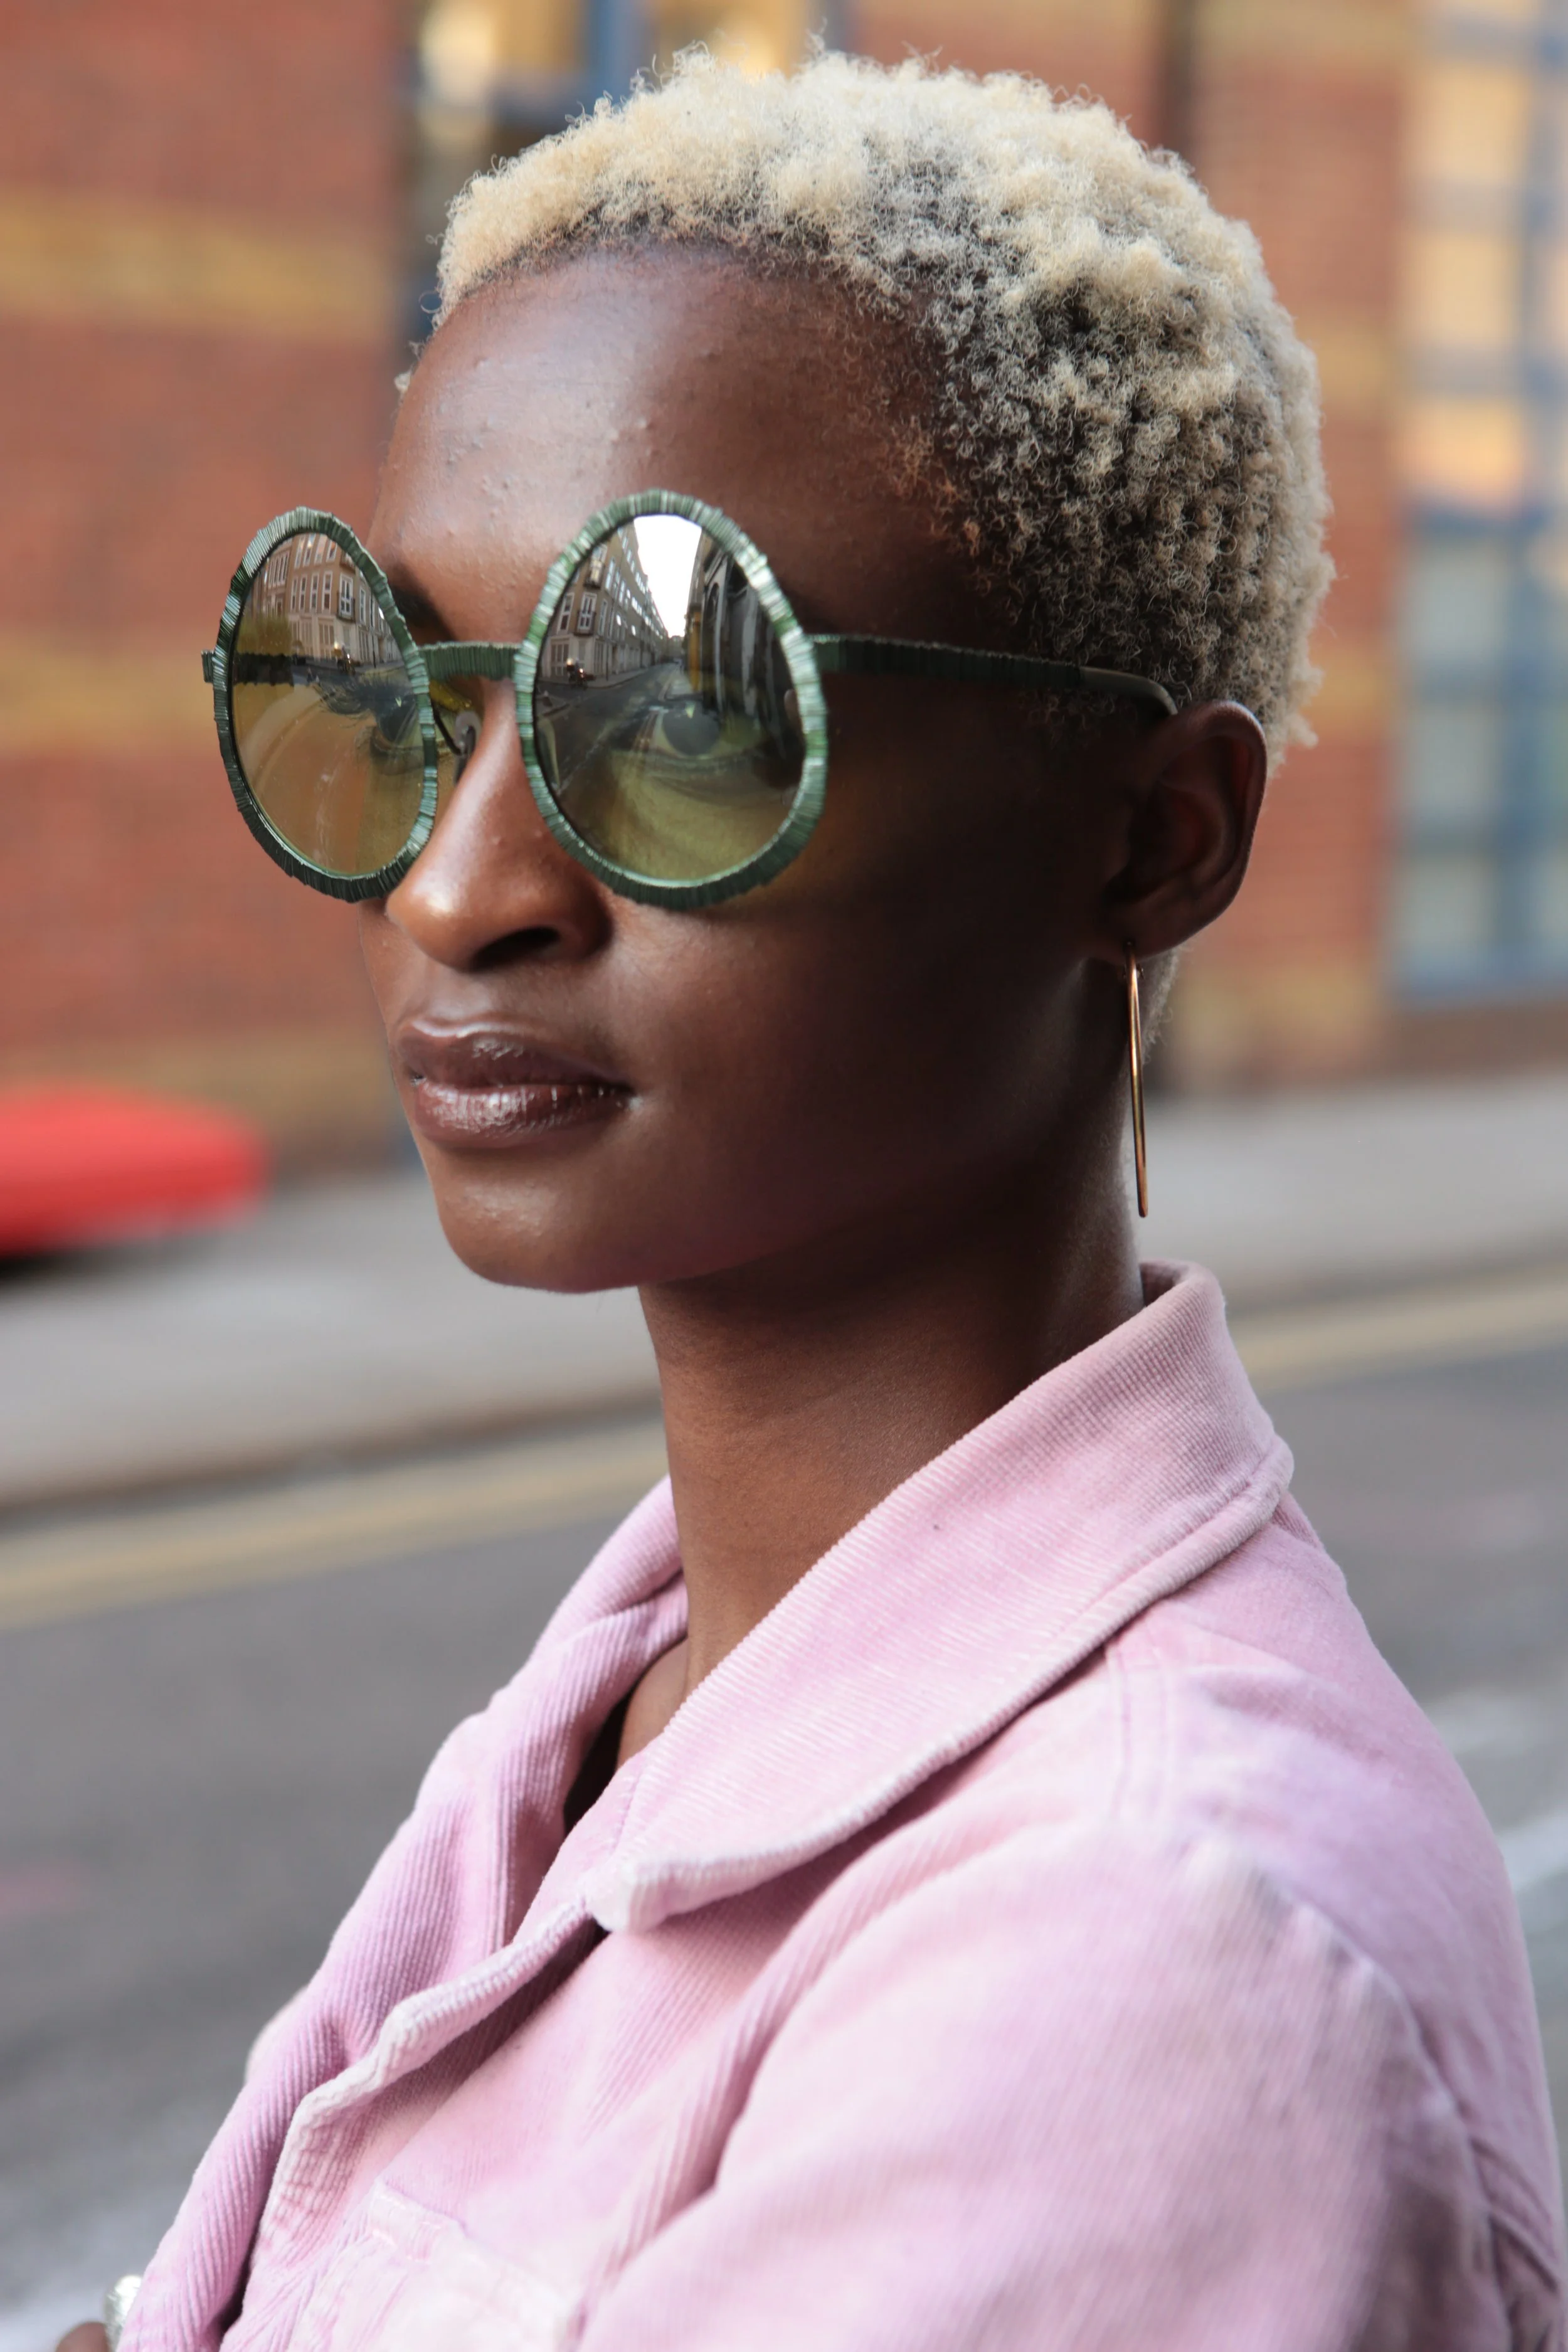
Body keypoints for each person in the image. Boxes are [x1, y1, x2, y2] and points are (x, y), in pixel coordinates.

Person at [68, 51, 1564, 2352]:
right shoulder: (675, 1656)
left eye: (679, 711)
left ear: (1151, 835)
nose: (459, 886)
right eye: (396, 691)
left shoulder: (1141, 1959)